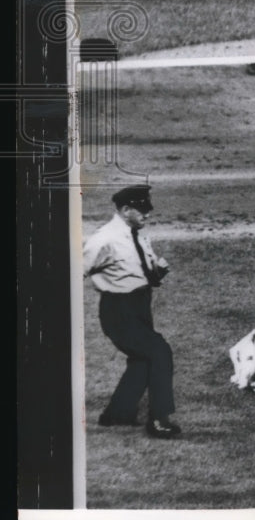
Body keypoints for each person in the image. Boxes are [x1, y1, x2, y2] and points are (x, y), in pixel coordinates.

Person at [82, 184, 181, 439]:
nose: (147, 215)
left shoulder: (138, 234)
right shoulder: (104, 240)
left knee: (142, 359)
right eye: (142, 210)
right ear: (126, 210)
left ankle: (117, 413)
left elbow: (145, 274)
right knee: (160, 352)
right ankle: (159, 419)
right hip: (119, 310)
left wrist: (158, 271)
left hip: (140, 305)